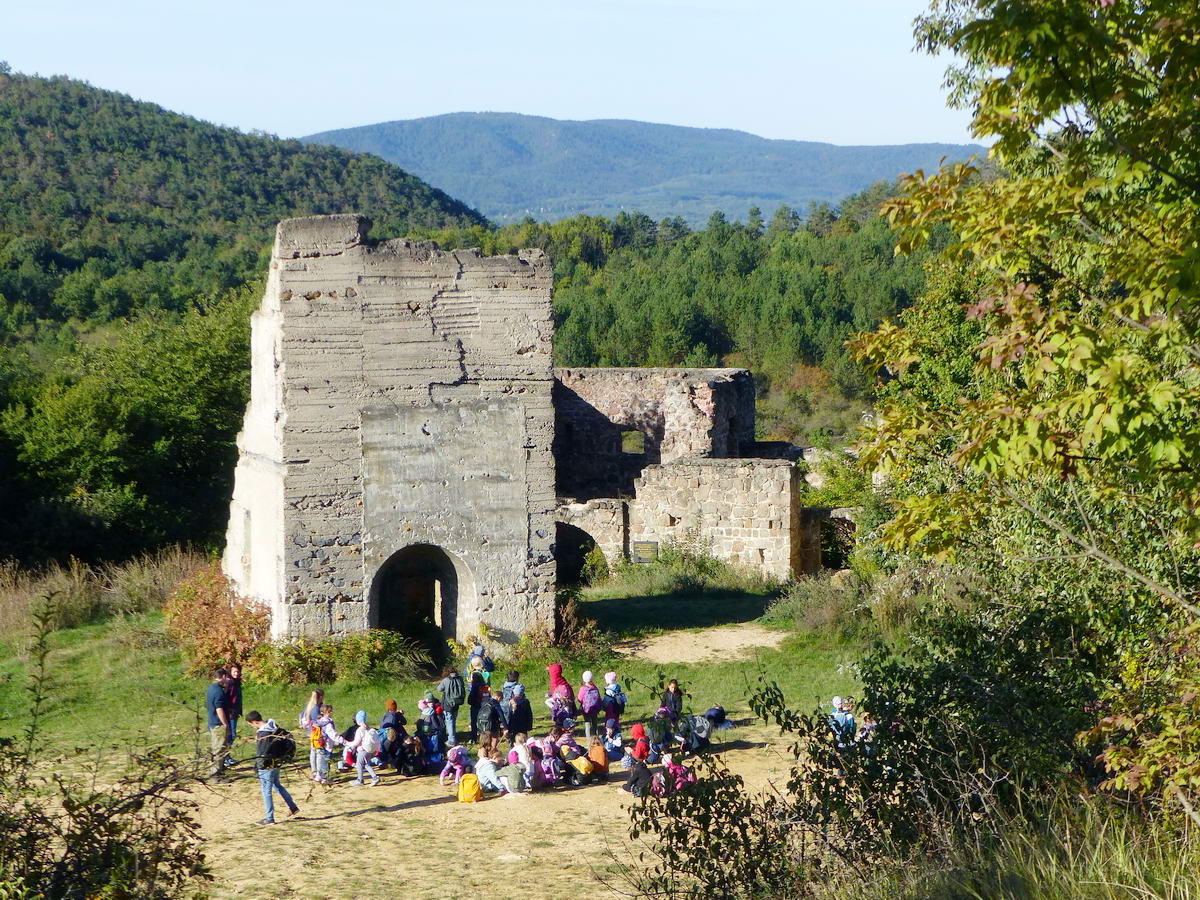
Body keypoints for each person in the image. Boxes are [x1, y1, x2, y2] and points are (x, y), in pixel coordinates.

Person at [247, 711, 299, 825]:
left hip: (266, 765)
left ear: (254, 722)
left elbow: (262, 753)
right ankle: (293, 807)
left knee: (266, 790)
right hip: (276, 762)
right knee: (277, 784)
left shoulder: (263, 734)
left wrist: (258, 766)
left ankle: (269, 818)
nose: (252, 727)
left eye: (251, 725)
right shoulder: (275, 728)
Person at [205, 667, 232, 778]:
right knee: (219, 750)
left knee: (217, 747)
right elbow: (219, 709)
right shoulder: (218, 691)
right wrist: (225, 723)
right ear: (224, 677)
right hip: (218, 724)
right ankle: (215, 775)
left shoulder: (212, 688)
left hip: (212, 722)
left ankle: (219, 770)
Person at [345, 710, 381, 786]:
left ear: (358, 720)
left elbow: (356, 742)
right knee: (367, 764)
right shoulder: (368, 728)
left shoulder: (360, 730)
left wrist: (348, 743)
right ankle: (374, 777)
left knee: (359, 764)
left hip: (362, 750)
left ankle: (361, 780)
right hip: (369, 750)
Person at [438, 667, 465, 746]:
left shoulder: (446, 680)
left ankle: (452, 740)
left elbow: (439, 689)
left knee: (449, 721)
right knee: (453, 720)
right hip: (457, 703)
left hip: (448, 704)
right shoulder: (460, 679)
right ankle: (453, 736)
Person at [577, 670, 603, 740]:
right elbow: (599, 698)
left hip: (586, 709)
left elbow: (579, 699)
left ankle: (588, 740)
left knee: (587, 724)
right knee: (595, 723)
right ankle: (596, 738)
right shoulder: (594, 687)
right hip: (595, 709)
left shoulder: (583, 688)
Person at [466, 660, 487, 743]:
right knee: (482, 722)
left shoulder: (474, 687)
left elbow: (470, 699)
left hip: (475, 705)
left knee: (474, 722)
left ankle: (474, 738)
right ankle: (484, 736)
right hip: (483, 704)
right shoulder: (484, 686)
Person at [227, 662, 244, 746]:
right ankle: (226, 756)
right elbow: (226, 698)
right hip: (230, 712)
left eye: (238, 671)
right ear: (230, 672)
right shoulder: (229, 683)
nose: (236, 674)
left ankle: (226, 755)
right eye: (234, 672)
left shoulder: (237, 682)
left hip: (235, 711)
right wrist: (229, 710)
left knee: (232, 734)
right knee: (231, 734)